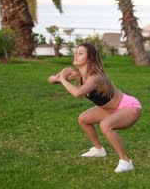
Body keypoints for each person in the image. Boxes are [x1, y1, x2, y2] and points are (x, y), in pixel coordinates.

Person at [47, 43, 142, 173]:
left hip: (129, 107)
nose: (76, 55)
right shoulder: (79, 75)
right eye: (76, 52)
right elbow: (52, 80)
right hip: (111, 109)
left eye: (80, 53)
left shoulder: (95, 77)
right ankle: (98, 150)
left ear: (90, 58)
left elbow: (77, 93)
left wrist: (63, 80)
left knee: (105, 125)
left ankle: (126, 162)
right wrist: (56, 78)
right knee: (83, 119)